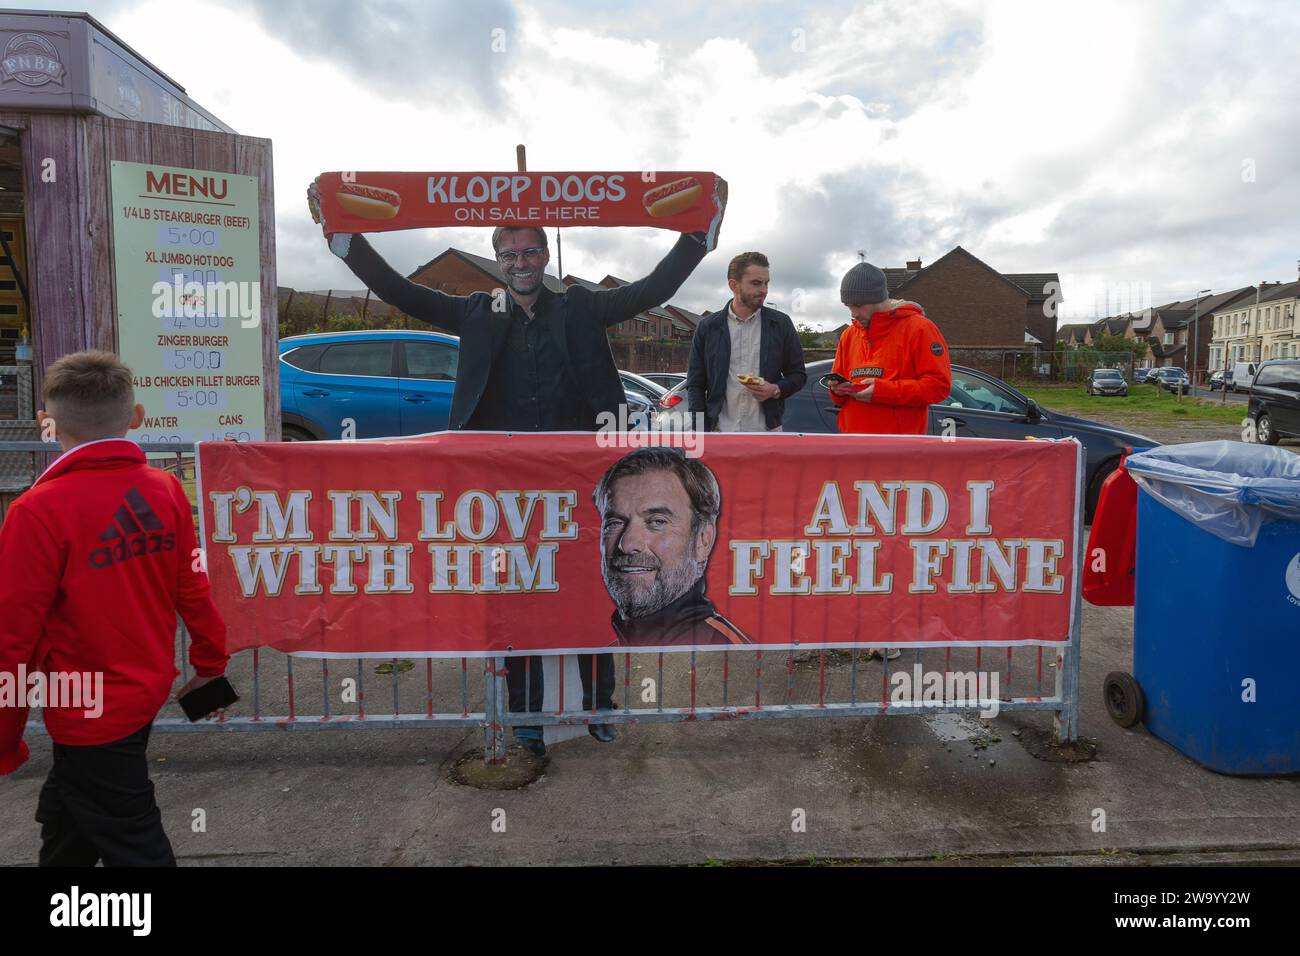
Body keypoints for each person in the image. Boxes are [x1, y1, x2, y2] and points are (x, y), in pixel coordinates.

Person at [308, 181, 727, 754]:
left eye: (530, 252)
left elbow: (652, 287)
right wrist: (346, 242)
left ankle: (600, 704)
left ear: (545, 255)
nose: (521, 263)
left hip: (582, 483)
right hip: (506, 488)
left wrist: (697, 239)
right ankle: (528, 711)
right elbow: (404, 293)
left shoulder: (582, 307)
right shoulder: (478, 313)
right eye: (510, 255)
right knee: (520, 596)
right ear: (498, 261)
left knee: (588, 591)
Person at [0, 351, 229, 866]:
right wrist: (211, 671)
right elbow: (193, 587)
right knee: (67, 819)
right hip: (139, 694)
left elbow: (11, 637)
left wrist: (5, 737)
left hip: (88, 712)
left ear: (48, 423)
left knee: (133, 840)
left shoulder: (35, 511)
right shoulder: (165, 487)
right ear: (136, 417)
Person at [829, 260, 952, 660]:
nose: (852, 314)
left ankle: (893, 627)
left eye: (857, 306)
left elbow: (937, 386)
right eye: (848, 307)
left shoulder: (920, 329)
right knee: (860, 540)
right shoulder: (850, 335)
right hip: (855, 453)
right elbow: (839, 376)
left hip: (898, 455)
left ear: (876, 300)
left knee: (894, 542)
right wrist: (840, 390)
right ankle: (863, 618)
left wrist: (879, 391)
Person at [593, 448, 749, 646]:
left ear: (703, 540)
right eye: (614, 523)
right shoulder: (605, 659)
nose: (628, 544)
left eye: (657, 521)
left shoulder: (736, 659)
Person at [686, 251, 807, 432]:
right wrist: (701, 430)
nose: (764, 290)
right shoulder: (707, 327)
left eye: (766, 283)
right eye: (756, 283)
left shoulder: (780, 324)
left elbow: (798, 375)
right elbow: (695, 383)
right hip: (720, 432)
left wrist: (775, 389)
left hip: (767, 433)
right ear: (733, 285)